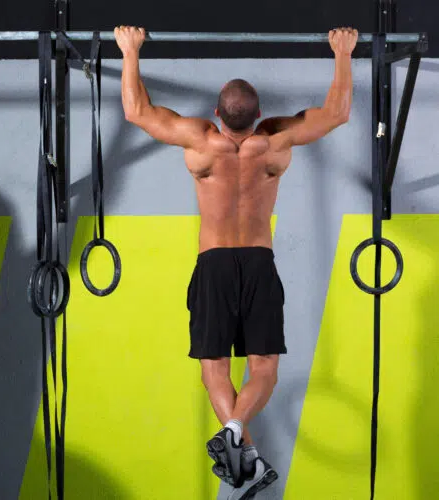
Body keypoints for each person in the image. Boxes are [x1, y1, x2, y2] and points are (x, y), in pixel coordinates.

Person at [114, 25, 357, 498]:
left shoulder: (200, 141)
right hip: (259, 262)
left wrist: (130, 50)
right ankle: (236, 436)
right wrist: (343, 53)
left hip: (215, 264)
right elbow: (338, 112)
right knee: (264, 366)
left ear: (215, 114)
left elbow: (135, 110)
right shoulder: (276, 142)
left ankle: (236, 444)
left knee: (214, 366)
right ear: (261, 115)